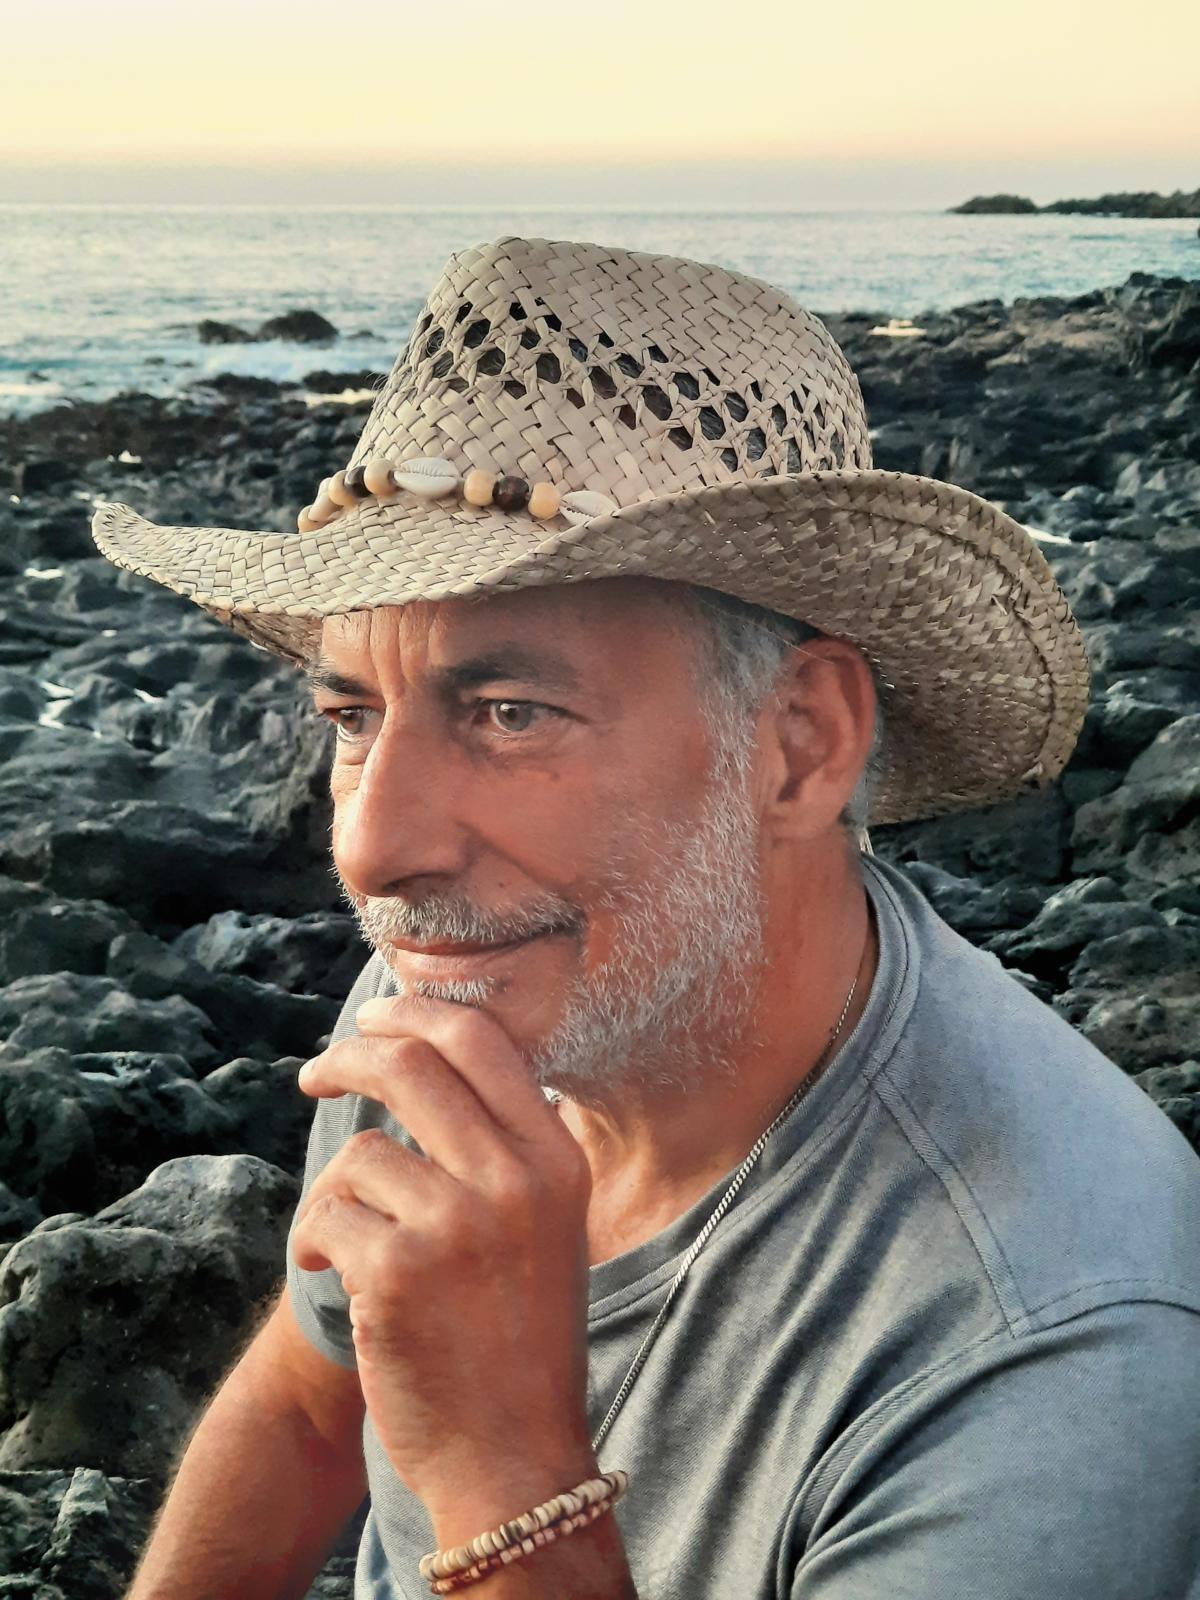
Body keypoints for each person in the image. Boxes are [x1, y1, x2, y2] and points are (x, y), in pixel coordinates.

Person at [92, 237, 1200, 1600]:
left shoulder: (1049, 1350)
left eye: (511, 715)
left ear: (800, 743)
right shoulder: (465, 989)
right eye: (354, 716)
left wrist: (503, 1464)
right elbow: (310, 1403)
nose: (377, 848)